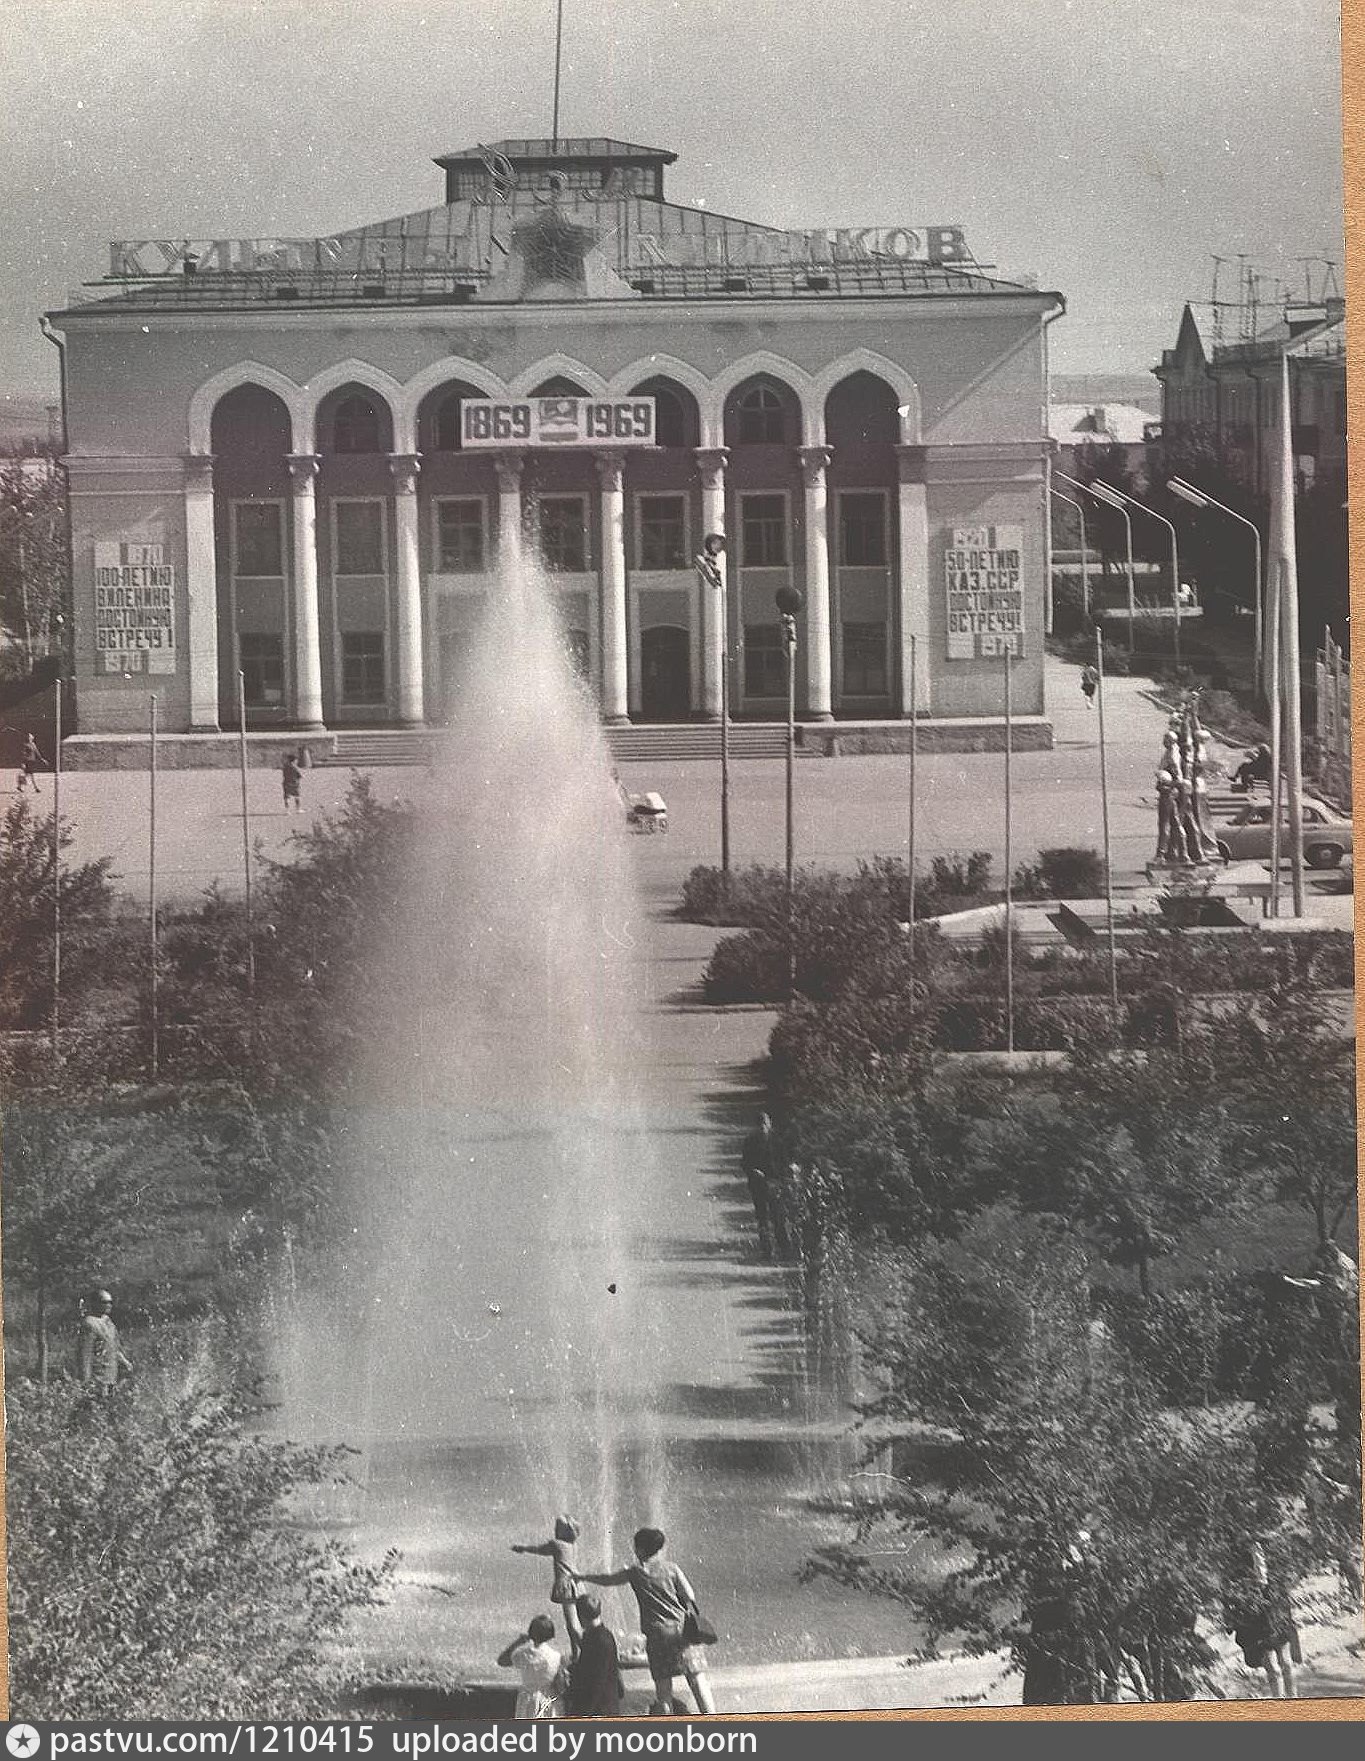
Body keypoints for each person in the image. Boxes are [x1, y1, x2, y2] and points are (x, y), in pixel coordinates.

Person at [581, 1527, 716, 1715]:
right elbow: (689, 1595)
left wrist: (583, 1577)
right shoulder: (672, 1568)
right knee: (697, 1681)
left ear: (640, 1549)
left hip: (658, 1635)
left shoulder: (635, 1572)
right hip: (684, 1631)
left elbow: (608, 1580)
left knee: (664, 1691)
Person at [1224, 1540, 1300, 1698]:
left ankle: (1293, 1700)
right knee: (1273, 1669)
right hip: (1257, 1630)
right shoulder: (1238, 1584)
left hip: (1278, 1624)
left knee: (1286, 1664)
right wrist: (1231, 1620)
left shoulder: (1274, 1582)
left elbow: (1284, 1600)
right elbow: (1230, 1601)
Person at [512, 1517, 584, 1658]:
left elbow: (540, 1550)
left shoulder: (557, 1544)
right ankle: (576, 1654)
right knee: (574, 1623)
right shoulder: (573, 1545)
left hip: (566, 1586)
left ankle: (587, 1653)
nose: (555, 1530)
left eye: (558, 1527)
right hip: (577, 1584)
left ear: (564, 1531)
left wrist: (523, 1548)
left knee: (572, 1624)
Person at [497, 1614, 566, 1719]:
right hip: (549, 1698)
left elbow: (502, 1661)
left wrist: (518, 1642)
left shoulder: (523, 1654)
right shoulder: (556, 1656)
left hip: (528, 1699)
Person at [565, 1594, 624, 1717]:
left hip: (599, 1708)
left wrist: (583, 1713)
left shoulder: (599, 1639)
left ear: (580, 1616)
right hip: (602, 1704)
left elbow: (597, 1681)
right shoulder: (602, 1635)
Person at [76, 1287, 133, 1391]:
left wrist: (125, 1362)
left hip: (111, 1376)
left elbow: (114, 1347)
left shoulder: (109, 1322)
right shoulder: (89, 1323)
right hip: (98, 1378)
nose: (108, 1305)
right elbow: (85, 1355)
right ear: (95, 1303)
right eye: (104, 1302)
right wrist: (86, 1381)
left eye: (110, 1302)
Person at [739, 1112, 774, 1257]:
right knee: (762, 1216)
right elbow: (745, 1163)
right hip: (758, 1183)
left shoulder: (776, 1140)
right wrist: (753, 1171)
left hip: (775, 1182)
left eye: (765, 1124)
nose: (762, 1127)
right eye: (760, 1124)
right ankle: (766, 1248)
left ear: (769, 1124)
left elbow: (783, 1158)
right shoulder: (750, 1141)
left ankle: (785, 1247)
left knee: (778, 1216)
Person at [281, 749, 303, 813]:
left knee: (287, 797)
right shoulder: (295, 767)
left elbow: (284, 774)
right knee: (297, 796)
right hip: (294, 783)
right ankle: (298, 809)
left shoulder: (285, 767)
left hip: (286, 783)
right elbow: (299, 775)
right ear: (294, 760)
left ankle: (287, 810)